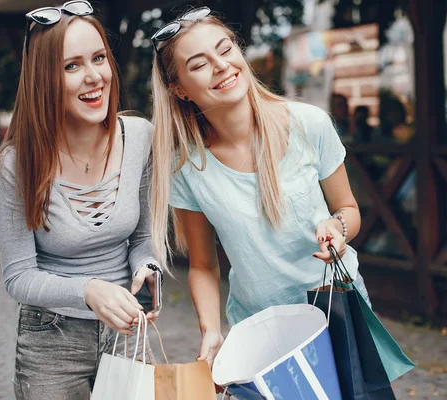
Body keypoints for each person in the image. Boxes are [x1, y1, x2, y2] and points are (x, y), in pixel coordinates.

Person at [148, 7, 371, 368]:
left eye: (225, 49)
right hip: (260, 331)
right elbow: (203, 266)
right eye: (199, 64)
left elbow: (349, 209)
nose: (221, 66)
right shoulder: (186, 167)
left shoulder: (308, 124)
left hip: (335, 310)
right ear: (179, 89)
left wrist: (338, 228)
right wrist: (210, 329)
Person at [0, 2, 160, 398]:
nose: (94, 76)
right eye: (72, 66)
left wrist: (147, 267)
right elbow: (18, 277)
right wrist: (89, 291)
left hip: (126, 331)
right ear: (45, 78)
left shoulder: (139, 138)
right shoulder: (15, 165)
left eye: (98, 58)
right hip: (51, 340)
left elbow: (142, 238)